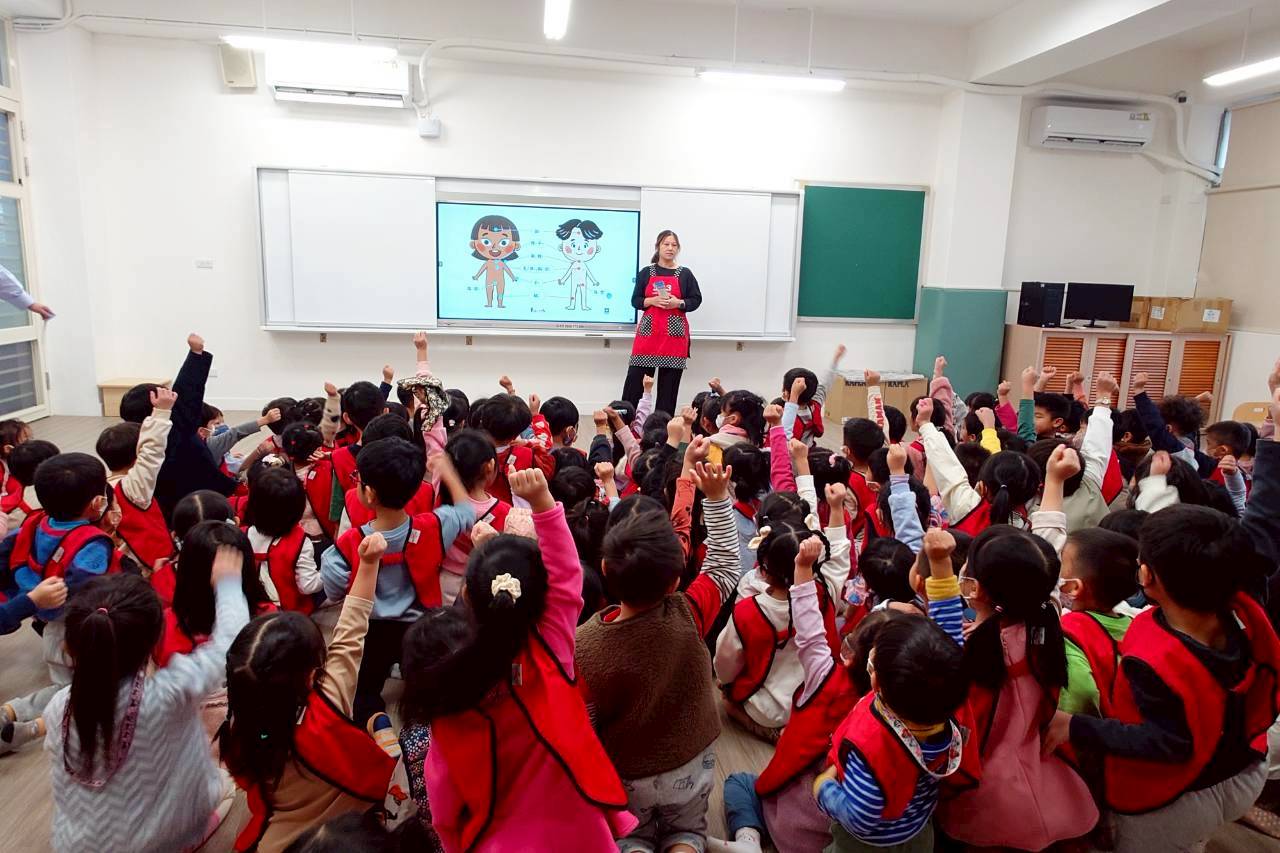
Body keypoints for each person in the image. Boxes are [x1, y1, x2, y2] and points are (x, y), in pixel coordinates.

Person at [400, 467, 637, 850]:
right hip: (579, 828)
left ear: (467, 598)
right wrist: (543, 504)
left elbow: (444, 808)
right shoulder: (551, 653)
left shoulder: (449, 705)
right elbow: (567, 578)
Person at [1045, 505, 1280, 852]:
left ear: (1147, 577)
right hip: (1247, 764)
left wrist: (1075, 725)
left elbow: (1168, 744)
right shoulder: (1244, 610)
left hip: (1176, 800)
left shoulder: (1154, 662)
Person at [575, 447, 740, 853]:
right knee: (687, 831)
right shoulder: (689, 612)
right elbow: (724, 564)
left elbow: (586, 725)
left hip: (628, 771)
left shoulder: (584, 645)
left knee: (632, 836)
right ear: (675, 581)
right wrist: (717, 498)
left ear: (605, 570)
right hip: (692, 759)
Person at [45, 556, 249, 852]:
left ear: (72, 646)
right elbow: (229, 644)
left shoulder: (57, 707)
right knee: (224, 783)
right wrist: (228, 583)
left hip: (75, 844)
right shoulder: (169, 694)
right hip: (154, 843)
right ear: (156, 639)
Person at [222, 530, 397, 853]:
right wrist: (369, 562)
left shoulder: (236, 735)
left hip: (281, 837)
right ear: (312, 676)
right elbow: (352, 626)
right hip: (357, 814)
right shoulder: (330, 697)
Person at [319, 437, 474, 723]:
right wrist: (447, 472)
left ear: (369, 494)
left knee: (363, 693)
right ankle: (422, 728)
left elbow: (334, 589)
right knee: (425, 684)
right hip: (420, 628)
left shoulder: (346, 546)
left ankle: (378, 725)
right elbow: (466, 512)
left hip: (370, 631)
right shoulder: (435, 526)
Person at [622, 230, 703, 416]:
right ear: (658, 247)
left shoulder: (685, 274)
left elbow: (696, 300)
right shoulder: (646, 272)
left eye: (674, 245)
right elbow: (635, 300)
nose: (670, 248)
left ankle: (661, 430)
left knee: (668, 393)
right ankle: (625, 426)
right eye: (666, 244)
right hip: (648, 337)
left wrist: (679, 303)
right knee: (633, 386)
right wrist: (652, 300)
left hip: (674, 340)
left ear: (678, 248)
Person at [96, 386, 176, 571]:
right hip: (146, 567)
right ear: (137, 456)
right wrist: (161, 413)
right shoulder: (133, 487)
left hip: (119, 564)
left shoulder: (100, 488)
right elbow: (151, 451)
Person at [243, 467, 322, 614]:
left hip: (256, 609)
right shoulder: (299, 542)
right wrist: (327, 573)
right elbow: (308, 585)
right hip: (291, 613)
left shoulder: (242, 535)